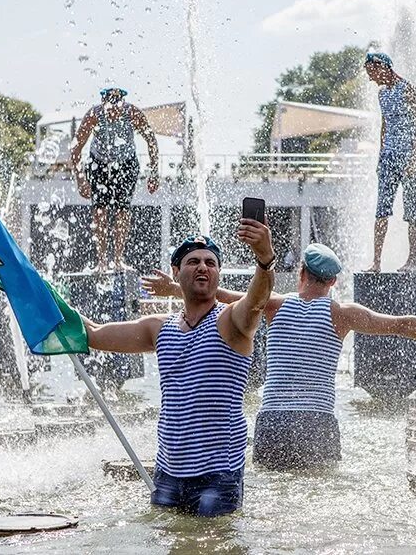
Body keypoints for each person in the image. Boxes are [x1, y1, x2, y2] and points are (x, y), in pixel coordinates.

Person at [143, 243, 416, 471]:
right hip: (316, 422)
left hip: (273, 421)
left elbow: (219, 294)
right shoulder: (341, 313)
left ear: (300, 274)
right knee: (318, 492)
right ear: (331, 283)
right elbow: (404, 325)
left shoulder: (273, 305)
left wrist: (175, 287)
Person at [81, 219, 276, 516]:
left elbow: (256, 301)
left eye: (211, 263)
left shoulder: (231, 321)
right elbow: (93, 334)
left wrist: (264, 261)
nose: (203, 267)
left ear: (218, 273)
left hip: (218, 476)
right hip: (169, 474)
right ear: (176, 272)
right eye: (193, 261)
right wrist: (37, 291)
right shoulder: (159, 328)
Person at [70, 87, 160, 271]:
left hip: (126, 164)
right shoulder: (94, 115)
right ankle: (102, 261)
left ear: (123, 102)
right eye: (109, 102)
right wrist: (80, 179)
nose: (113, 108)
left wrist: (154, 172)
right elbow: (76, 148)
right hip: (99, 163)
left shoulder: (132, 113)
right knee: (99, 211)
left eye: (116, 102)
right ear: (103, 102)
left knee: (122, 211)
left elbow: (151, 140)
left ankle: (118, 260)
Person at [363, 52, 416, 273]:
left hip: (410, 159)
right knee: (381, 210)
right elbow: (384, 125)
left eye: (372, 73)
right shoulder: (382, 95)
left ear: (383, 67)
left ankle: (412, 260)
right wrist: (381, 156)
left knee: (412, 211)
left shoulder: (410, 90)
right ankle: (376, 261)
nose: (372, 79)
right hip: (389, 158)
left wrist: (415, 156)